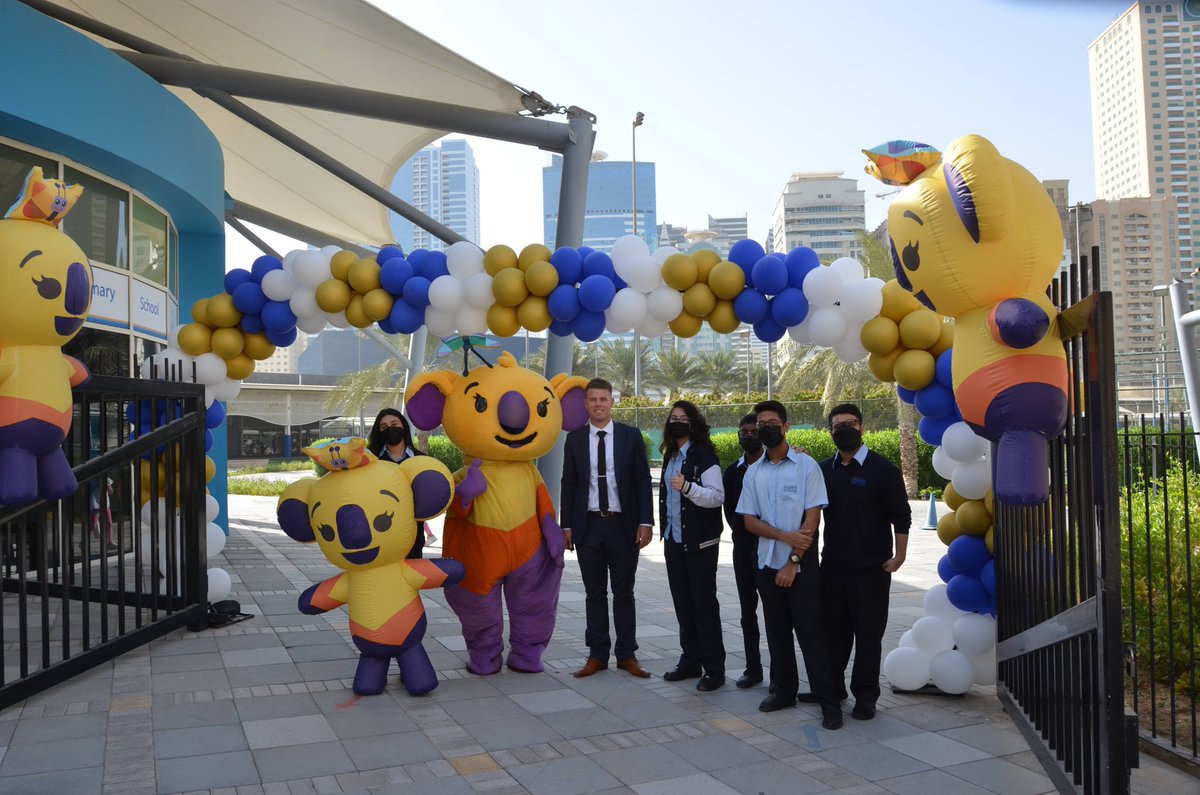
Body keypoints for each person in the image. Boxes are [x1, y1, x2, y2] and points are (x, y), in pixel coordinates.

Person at [736, 400, 843, 730]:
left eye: (772, 423)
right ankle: (783, 690)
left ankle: (828, 701)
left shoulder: (806, 467)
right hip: (766, 565)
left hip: (802, 566)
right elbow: (750, 522)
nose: (765, 428)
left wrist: (793, 561)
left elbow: (812, 519)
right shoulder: (753, 472)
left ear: (785, 427)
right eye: (761, 423)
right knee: (777, 631)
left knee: (811, 633)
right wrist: (785, 537)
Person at [815, 403, 911, 721]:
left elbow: (901, 517)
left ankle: (866, 695)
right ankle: (833, 689)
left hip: (872, 570)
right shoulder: (823, 470)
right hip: (833, 569)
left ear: (862, 428)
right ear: (830, 432)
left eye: (850, 423)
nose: (844, 429)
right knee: (835, 634)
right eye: (837, 425)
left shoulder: (883, 470)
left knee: (868, 636)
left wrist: (899, 556)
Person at [560, 378, 654, 679]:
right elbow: (569, 483)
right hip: (588, 526)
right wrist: (567, 525)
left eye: (604, 399)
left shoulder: (630, 436)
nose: (598, 404)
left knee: (624, 592)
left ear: (613, 402)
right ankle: (597, 655)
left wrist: (645, 521)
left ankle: (627, 654)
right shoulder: (574, 439)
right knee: (594, 593)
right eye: (593, 400)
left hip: (622, 526)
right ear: (585, 404)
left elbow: (641, 480)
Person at [658, 400, 726, 691]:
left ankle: (714, 668)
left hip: (700, 544)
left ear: (693, 422)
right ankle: (690, 661)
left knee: (704, 605)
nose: (677, 422)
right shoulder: (670, 455)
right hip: (674, 541)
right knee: (683, 605)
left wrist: (687, 487)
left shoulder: (704, 455)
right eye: (673, 417)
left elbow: (716, 496)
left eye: (683, 418)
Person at [723, 413, 765, 689]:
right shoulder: (732, 472)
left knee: (776, 614)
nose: (748, 436)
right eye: (744, 431)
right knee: (747, 612)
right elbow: (729, 512)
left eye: (754, 431)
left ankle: (785, 674)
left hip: (771, 547)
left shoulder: (773, 467)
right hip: (743, 548)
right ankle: (753, 668)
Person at [367, 408, 434, 558]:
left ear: (403, 426)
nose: (390, 428)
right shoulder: (370, 460)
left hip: (413, 534)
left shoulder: (422, 459)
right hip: (379, 532)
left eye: (394, 423)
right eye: (384, 427)